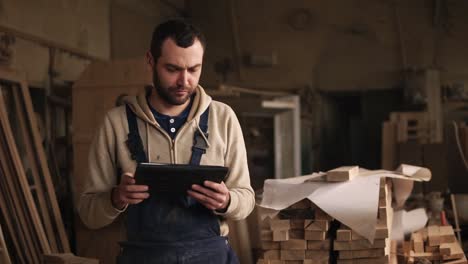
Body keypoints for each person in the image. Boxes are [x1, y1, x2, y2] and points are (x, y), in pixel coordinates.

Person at [77, 19, 255, 263]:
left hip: (210, 256)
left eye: (194, 69)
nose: (184, 82)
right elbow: (88, 213)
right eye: (172, 69)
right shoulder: (116, 123)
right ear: (151, 61)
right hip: (144, 257)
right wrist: (116, 197)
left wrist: (227, 201)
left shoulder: (222, 118)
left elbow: (246, 199)